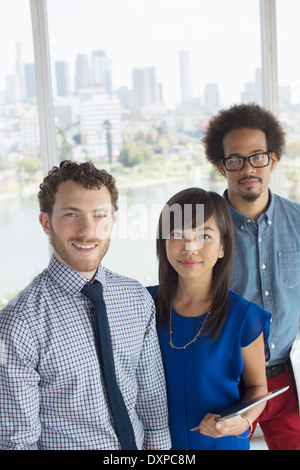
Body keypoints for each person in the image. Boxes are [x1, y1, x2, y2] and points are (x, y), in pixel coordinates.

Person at [0, 160, 171, 450]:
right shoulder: (18, 324)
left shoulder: (136, 298)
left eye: (99, 215)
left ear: (112, 222)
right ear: (46, 222)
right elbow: (17, 443)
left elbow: (150, 396)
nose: (87, 230)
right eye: (71, 214)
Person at [203, 103, 300, 450]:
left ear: (273, 159)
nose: (248, 168)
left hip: (291, 381)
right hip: (230, 383)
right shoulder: (203, 229)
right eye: (236, 159)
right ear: (221, 165)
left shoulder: (299, 222)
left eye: (257, 156)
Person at [147, 187, 271, 450]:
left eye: (204, 235)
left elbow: (259, 387)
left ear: (223, 247)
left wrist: (243, 421)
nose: (190, 248)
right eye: (178, 235)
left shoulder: (244, 317)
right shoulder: (142, 306)